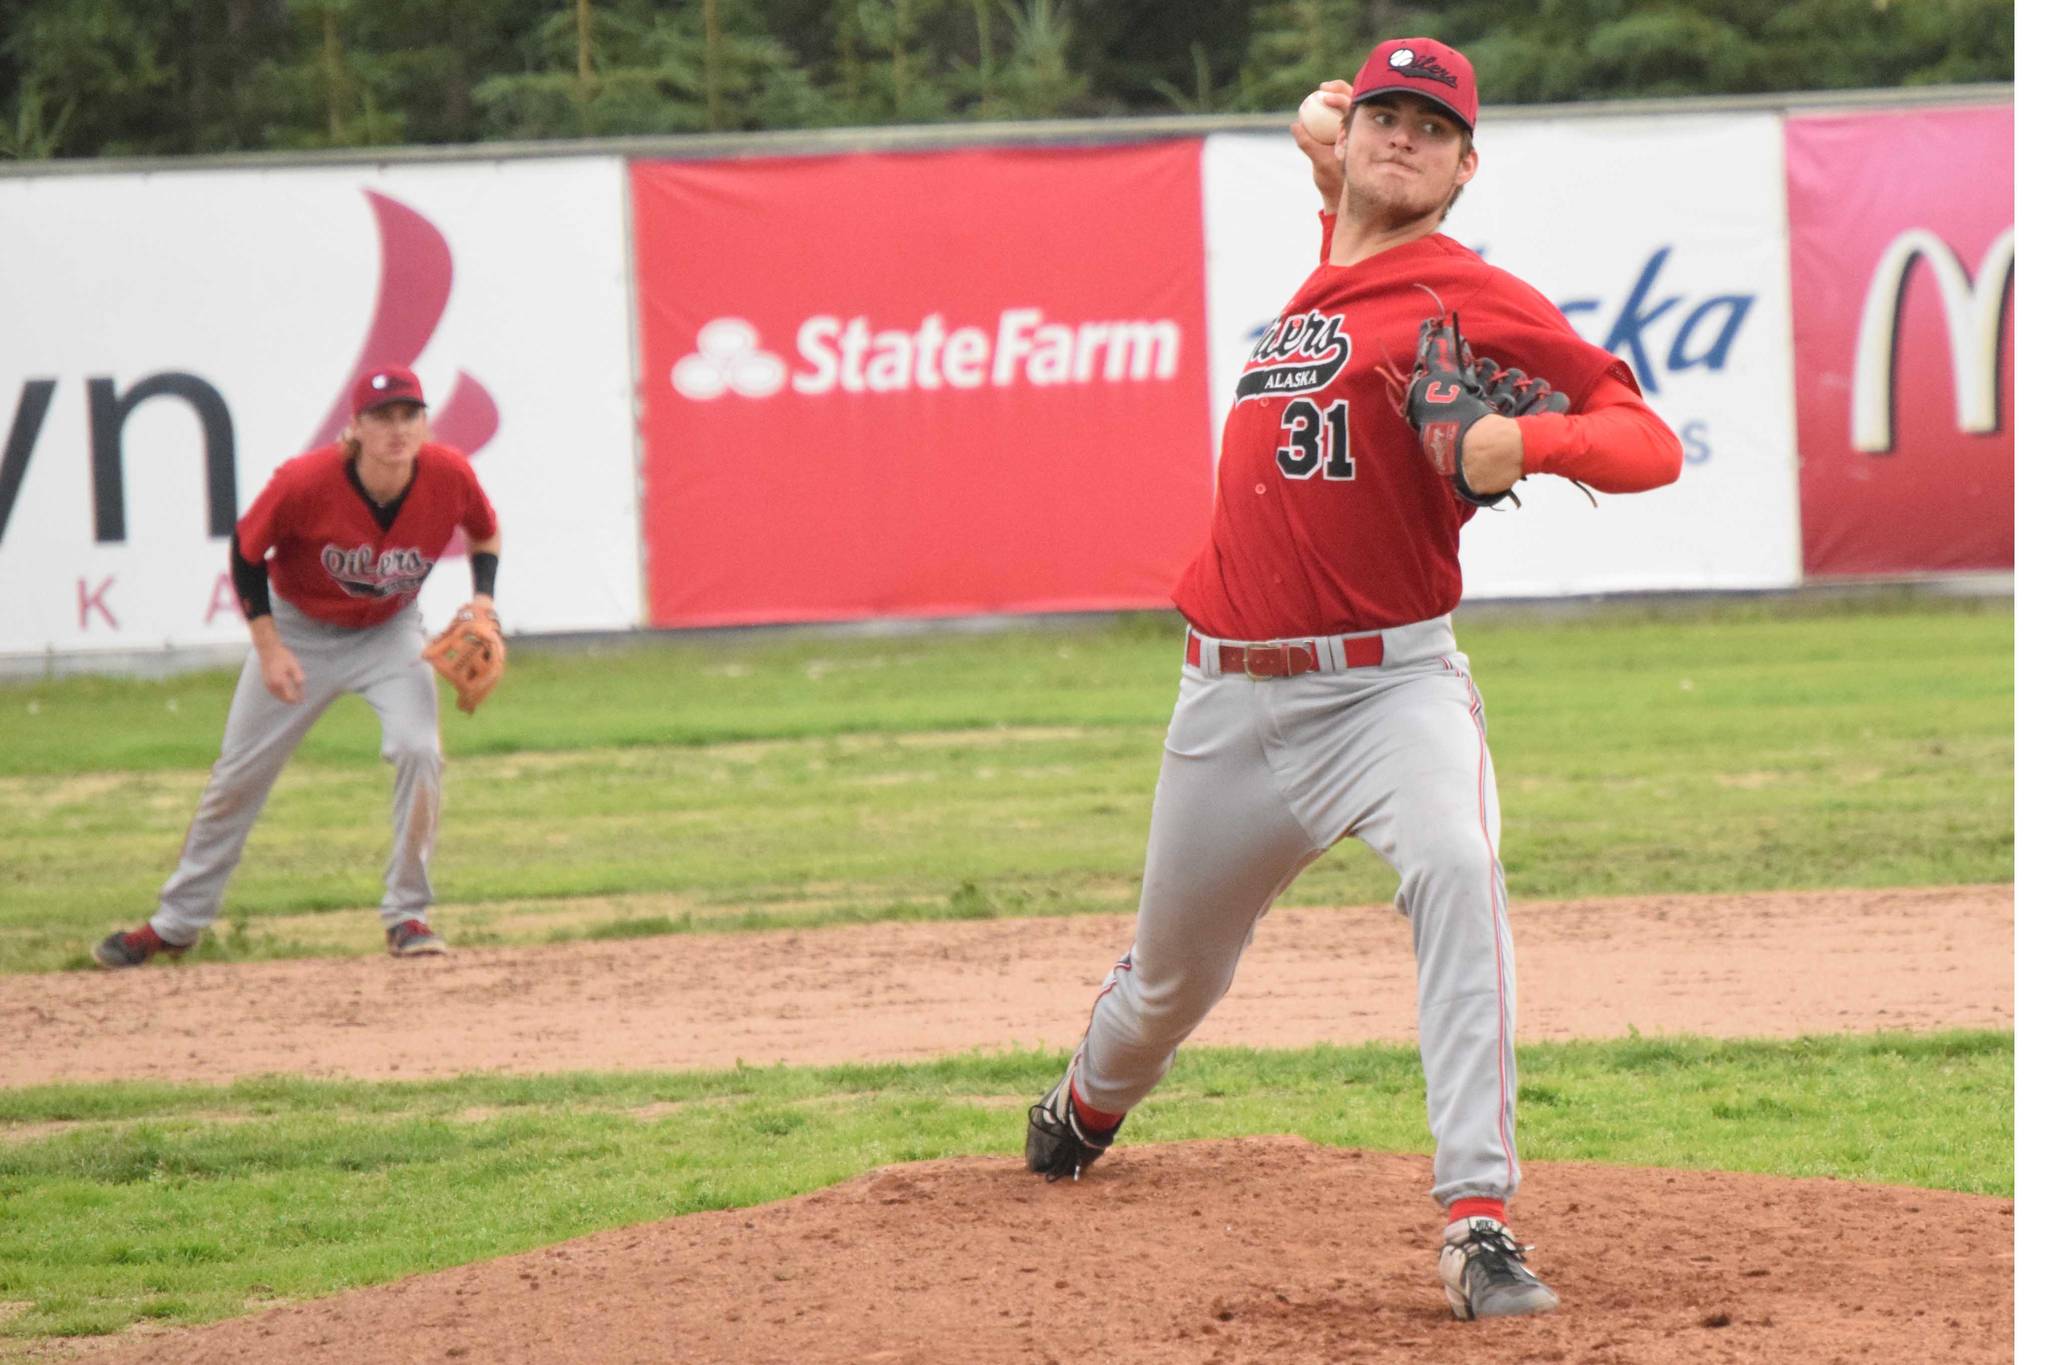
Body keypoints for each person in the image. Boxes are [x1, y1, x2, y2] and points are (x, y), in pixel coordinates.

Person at [1024, 37, 1682, 1321]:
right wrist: (1323, 132)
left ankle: (1477, 1221)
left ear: (1464, 166)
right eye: (1385, 113)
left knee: (1457, 866)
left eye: (1430, 128)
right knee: (1169, 978)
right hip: (1224, 697)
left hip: (1390, 694)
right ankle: (1083, 1104)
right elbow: (1328, 144)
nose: (1399, 135)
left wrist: (1522, 439)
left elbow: (1646, 441)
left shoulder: (1466, 294)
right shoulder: (1332, 255)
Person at [92, 365, 502, 968]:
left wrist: (485, 603)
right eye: (381, 417)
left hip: (390, 632)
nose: (397, 429)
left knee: (420, 750)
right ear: (355, 426)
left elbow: (485, 534)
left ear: (425, 421)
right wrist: (269, 646)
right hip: (298, 629)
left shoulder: (449, 474)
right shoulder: (306, 480)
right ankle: (174, 924)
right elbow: (247, 550)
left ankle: (407, 915)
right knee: (237, 778)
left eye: (408, 415)